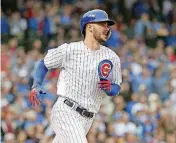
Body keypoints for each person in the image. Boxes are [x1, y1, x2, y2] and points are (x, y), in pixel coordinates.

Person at [29, 9, 122, 143]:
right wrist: (36, 85)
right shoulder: (70, 49)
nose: (107, 28)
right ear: (89, 27)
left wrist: (109, 88)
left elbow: (116, 87)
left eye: (108, 25)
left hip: (88, 119)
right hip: (66, 110)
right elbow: (44, 63)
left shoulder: (112, 57)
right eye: (103, 24)